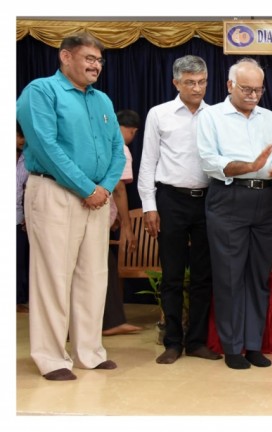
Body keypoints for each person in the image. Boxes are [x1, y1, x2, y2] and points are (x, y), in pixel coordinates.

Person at [16, 32, 126, 380]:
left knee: (93, 276)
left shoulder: (103, 100)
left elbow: (116, 152)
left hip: (96, 198)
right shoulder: (40, 91)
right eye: (89, 58)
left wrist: (104, 188)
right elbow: (46, 146)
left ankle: (89, 353)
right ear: (65, 57)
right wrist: (85, 187)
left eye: (99, 60)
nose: (95, 66)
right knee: (53, 277)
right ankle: (51, 357)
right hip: (54, 192)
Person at [196, 57, 272, 370]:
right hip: (228, 198)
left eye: (258, 90)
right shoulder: (211, 117)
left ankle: (253, 345)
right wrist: (249, 166)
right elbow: (209, 161)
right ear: (230, 86)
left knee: (258, 276)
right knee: (230, 276)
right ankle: (232, 347)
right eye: (246, 89)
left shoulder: (269, 118)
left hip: (265, 199)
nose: (252, 96)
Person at [138, 55, 222, 364]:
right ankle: (172, 342)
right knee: (172, 275)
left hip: (208, 201)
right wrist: (149, 206)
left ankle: (197, 341)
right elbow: (148, 162)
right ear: (176, 83)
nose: (197, 88)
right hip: (170, 200)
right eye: (190, 82)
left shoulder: (215, 116)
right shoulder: (159, 114)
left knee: (203, 276)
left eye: (202, 82)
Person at [102, 109, 143, 336]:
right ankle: (111, 322)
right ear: (132, 130)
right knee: (104, 268)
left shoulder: (97, 140)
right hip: (97, 218)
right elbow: (118, 188)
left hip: (86, 214)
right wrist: (127, 227)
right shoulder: (121, 149)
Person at [16, 122, 30, 313]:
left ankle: (18, 299)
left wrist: (27, 215)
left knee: (18, 260)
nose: (21, 140)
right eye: (19, 136)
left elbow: (28, 188)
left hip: (18, 216)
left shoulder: (27, 159)